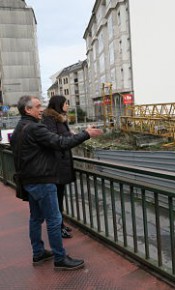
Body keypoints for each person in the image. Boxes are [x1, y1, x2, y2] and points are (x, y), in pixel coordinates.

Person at [10, 95, 102, 271]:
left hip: (28, 181)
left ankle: (38, 253)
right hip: (43, 180)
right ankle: (60, 258)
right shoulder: (35, 128)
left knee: (36, 218)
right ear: (28, 110)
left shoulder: (20, 128)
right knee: (54, 220)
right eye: (38, 106)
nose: (42, 109)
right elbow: (61, 143)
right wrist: (86, 133)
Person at [42, 95, 74, 238]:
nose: (67, 105)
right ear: (58, 104)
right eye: (65, 103)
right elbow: (55, 140)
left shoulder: (59, 117)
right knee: (56, 199)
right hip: (56, 164)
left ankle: (60, 224)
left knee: (60, 196)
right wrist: (70, 135)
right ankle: (58, 227)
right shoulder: (50, 119)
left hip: (61, 163)